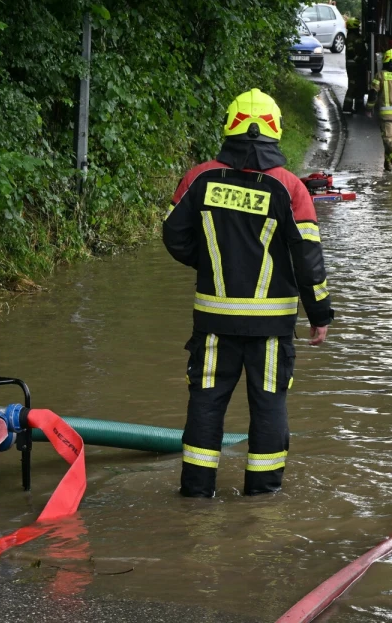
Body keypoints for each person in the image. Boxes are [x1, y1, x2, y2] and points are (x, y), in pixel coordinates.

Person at [163, 89, 334, 498]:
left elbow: (174, 235)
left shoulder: (199, 178)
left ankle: (196, 496)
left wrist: (208, 263)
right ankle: (262, 500)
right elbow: (308, 260)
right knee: (269, 407)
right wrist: (320, 314)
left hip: (213, 323)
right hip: (272, 329)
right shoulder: (291, 189)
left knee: (205, 406)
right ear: (274, 130)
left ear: (230, 126)